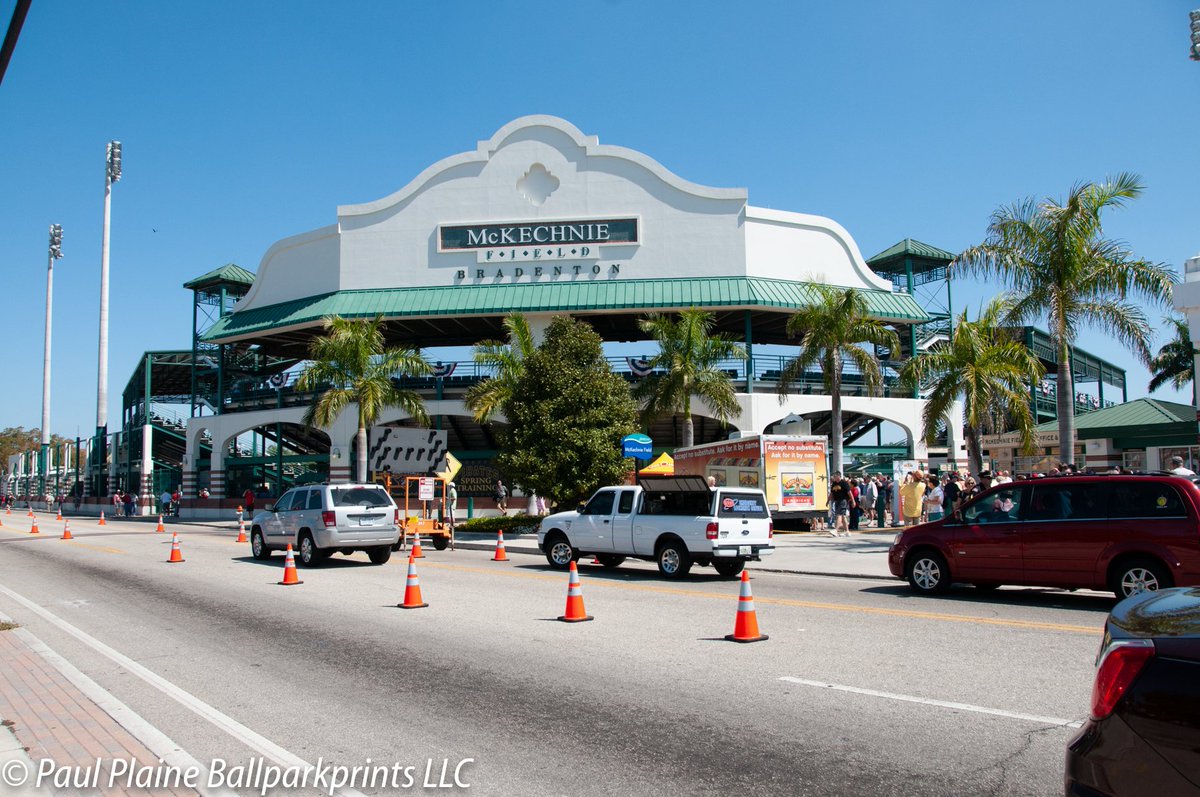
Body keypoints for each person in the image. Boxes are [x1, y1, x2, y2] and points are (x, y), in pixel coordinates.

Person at [827, 471, 851, 537]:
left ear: (839, 476)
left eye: (835, 476)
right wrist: (827, 501)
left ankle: (836, 530)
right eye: (834, 476)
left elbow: (849, 492)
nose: (834, 477)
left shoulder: (844, 483)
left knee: (838, 515)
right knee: (843, 516)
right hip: (836, 501)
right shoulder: (834, 484)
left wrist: (853, 501)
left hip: (843, 500)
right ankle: (847, 531)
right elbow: (831, 494)